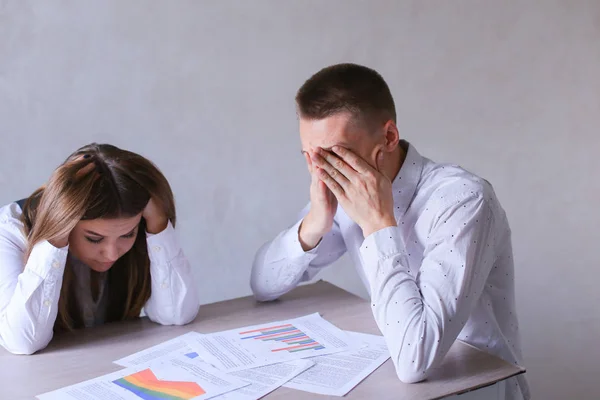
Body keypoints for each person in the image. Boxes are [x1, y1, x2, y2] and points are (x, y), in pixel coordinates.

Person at [251, 63, 529, 400]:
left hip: (477, 390)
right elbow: (263, 285)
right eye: (311, 157)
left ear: (389, 137)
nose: (323, 171)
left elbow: (416, 359)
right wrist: (315, 222)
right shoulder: (342, 197)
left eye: (336, 156)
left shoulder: (463, 200)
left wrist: (378, 224)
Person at [0, 143, 200, 355]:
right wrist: (55, 233)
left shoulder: (146, 224)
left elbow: (176, 315)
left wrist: (159, 225)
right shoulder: (10, 230)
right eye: (94, 239)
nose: (112, 254)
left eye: (127, 234)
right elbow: (22, 341)